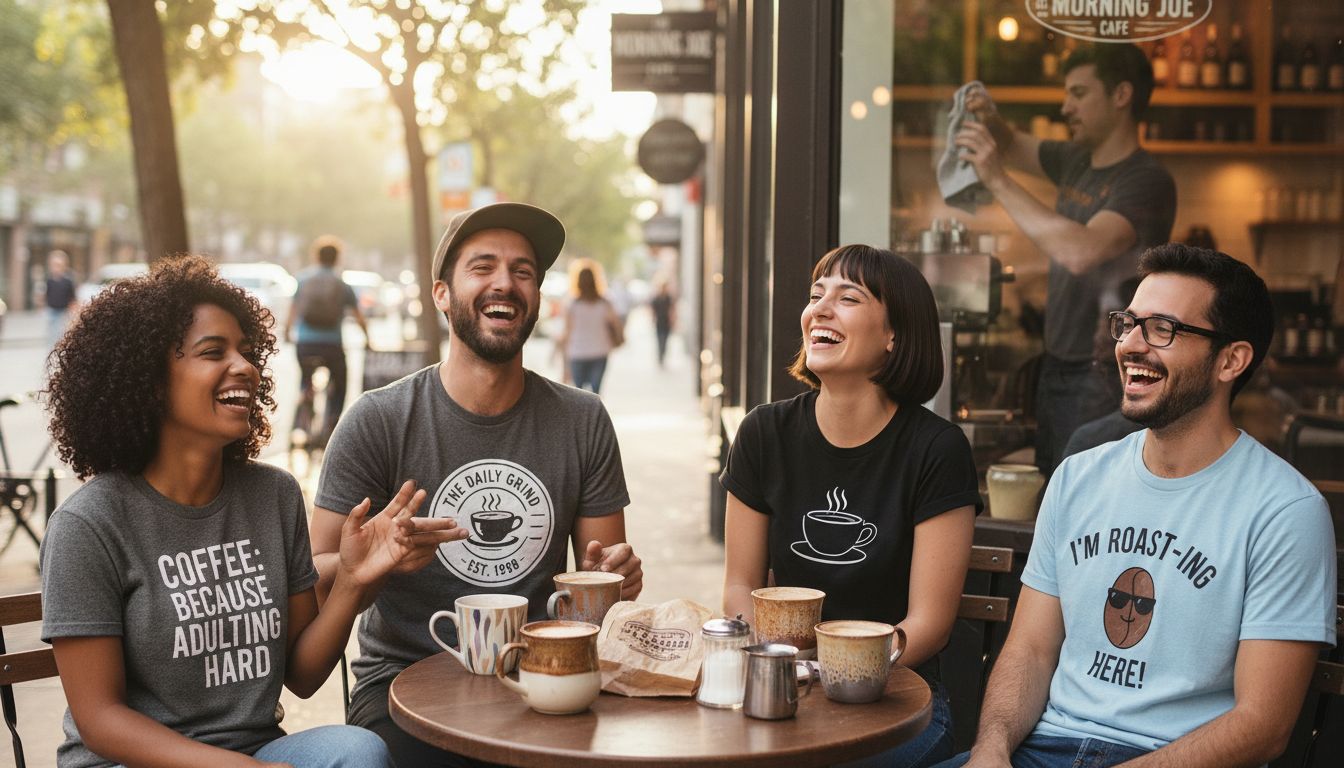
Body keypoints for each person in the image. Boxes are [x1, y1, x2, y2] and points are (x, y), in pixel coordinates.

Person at [39, 256, 460, 768]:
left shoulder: (273, 496)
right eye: (213, 352)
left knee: (358, 751)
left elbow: (302, 676)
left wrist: (351, 581)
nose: (245, 366)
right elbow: (100, 720)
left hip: (255, 750)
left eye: (245, 350)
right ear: (148, 380)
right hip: (135, 761)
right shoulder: (91, 525)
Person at [935, 244, 1337, 768]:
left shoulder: (1284, 510)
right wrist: (990, 751)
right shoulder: (1079, 476)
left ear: (1231, 360)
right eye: (1128, 323)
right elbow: (1030, 651)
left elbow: (1262, 725)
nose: (1131, 345)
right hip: (1042, 749)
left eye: (1163, 329)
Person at [309, 202, 643, 768]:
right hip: (402, 686)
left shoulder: (582, 419)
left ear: (537, 295)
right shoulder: (377, 420)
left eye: (523, 271)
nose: (505, 284)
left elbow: (597, 592)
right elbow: (313, 575)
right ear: (442, 293)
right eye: (482, 266)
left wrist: (613, 578)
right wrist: (377, 557)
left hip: (543, 678)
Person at [721, 244, 982, 767]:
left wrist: (840, 671)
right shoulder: (763, 433)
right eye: (817, 295)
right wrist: (781, 670)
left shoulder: (936, 449)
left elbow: (929, 622)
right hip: (784, 693)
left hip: (894, 704)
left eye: (848, 298)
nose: (820, 308)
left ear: (895, 336)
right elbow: (738, 586)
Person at [955, 44, 1176, 476]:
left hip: (1105, 371)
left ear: (1121, 95)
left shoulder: (1146, 180)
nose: (1065, 106)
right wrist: (990, 120)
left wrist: (995, 178)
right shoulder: (1076, 159)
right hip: (1058, 362)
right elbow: (1013, 144)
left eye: (1078, 93)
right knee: (1055, 491)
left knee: (1086, 492)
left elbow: (1082, 251)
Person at [284, 235, 370, 448]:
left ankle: (303, 411)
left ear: (316, 256)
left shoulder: (303, 280)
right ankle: (331, 425)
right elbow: (358, 316)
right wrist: (368, 339)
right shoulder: (342, 284)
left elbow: (293, 311)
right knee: (339, 384)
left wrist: (287, 333)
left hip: (305, 344)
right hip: (332, 344)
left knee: (306, 379)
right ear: (337, 259)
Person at [559, 258, 623, 394]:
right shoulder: (605, 303)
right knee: (595, 392)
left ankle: (583, 416)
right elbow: (617, 324)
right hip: (600, 351)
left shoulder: (572, 304)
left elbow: (567, 333)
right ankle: (595, 415)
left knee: (578, 394)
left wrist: (564, 366)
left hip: (577, 353)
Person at [44, 249, 78, 346]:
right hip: (51, 310)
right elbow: (47, 294)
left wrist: (72, 311)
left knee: (61, 333)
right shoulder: (49, 281)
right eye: (54, 265)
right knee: (51, 334)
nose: (56, 268)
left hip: (63, 311)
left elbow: (73, 297)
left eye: (58, 265)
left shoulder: (68, 281)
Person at [650, 278, 677, 367]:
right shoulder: (656, 298)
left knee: (665, 340)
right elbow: (652, 310)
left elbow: (672, 310)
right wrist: (652, 319)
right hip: (659, 322)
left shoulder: (669, 298)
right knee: (659, 340)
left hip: (667, 323)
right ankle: (660, 356)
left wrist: (673, 321)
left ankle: (663, 355)